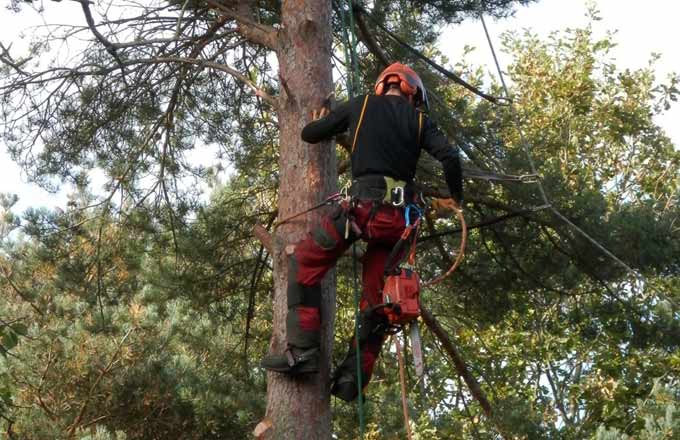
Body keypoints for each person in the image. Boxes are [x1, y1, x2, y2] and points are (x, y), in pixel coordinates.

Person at [261, 63, 463, 402]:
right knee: (376, 302)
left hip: (362, 212)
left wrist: (331, 121)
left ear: (384, 85)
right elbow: (450, 157)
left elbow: (309, 134)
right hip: (400, 225)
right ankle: (351, 380)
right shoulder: (418, 121)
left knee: (306, 265)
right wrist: (455, 197)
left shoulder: (361, 105)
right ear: (413, 92)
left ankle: (304, 355)